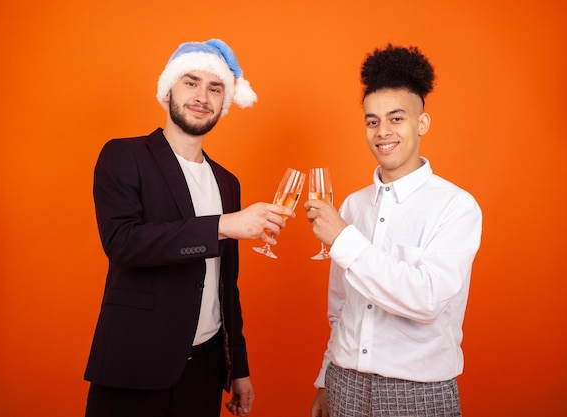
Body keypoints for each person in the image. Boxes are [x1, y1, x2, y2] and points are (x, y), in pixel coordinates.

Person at [84, 38, 294, 417]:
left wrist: (238, 369)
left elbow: (226, 285)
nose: (202, 96)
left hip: (206, 370)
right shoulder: (123, 155)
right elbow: (123, 243)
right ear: (168, 91)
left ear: (224, 103)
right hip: (136, 364)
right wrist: (223, 225)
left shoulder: (227, 182)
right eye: (191, 82)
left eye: (215, 89)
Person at [305, 44, 483, 417]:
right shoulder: (352, 206)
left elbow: (427, 299)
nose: (382, 132)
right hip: (344, 382)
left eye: (396, 118)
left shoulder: (457, 206)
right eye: (372, 121)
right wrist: (325, 377)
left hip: (418, 391)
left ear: (422, 123)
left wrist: (343, 239)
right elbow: (341, 308)